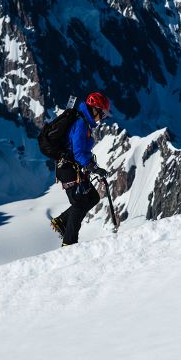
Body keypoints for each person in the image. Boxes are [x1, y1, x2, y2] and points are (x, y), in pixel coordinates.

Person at [49, 93, 111, 246]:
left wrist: (92, 166)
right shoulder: (81, 124)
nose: (102, 117)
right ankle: (69, 243)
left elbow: (80, 151)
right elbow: (77, 153)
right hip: (68, 169)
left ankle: (62, 222)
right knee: (80, 204)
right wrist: (93, 167)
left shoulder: (84, 122)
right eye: (102, 113)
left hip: (72, 168)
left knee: (92, 197)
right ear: (94, 110)